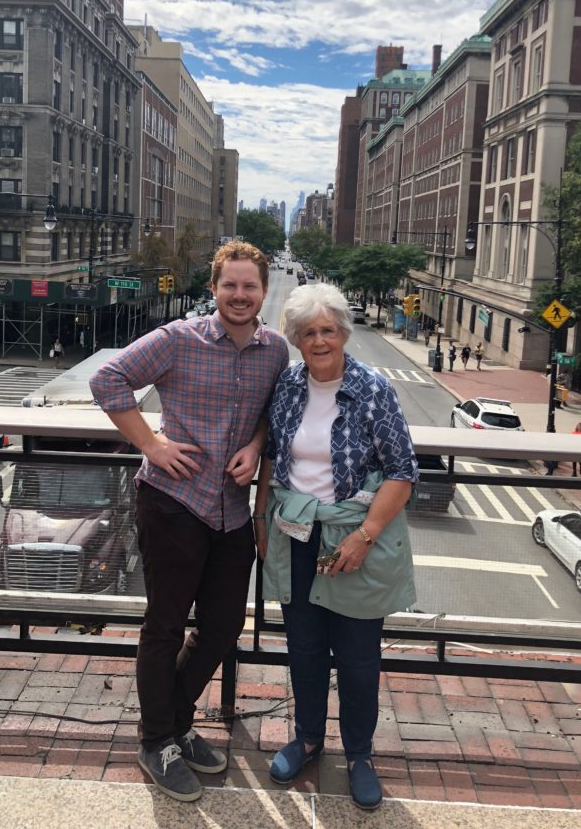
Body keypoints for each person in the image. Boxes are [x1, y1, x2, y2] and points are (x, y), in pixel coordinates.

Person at [89, 241, 288, 803]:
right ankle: (157, 741)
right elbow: (107, 380)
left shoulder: (275, 350)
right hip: (172, 501)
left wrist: (255, 445)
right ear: (214, 288)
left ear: (264, 291)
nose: (240, 295)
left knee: (223, 627)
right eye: (230, 285)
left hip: (232, 510)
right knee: (165, 626)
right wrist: (151, 444)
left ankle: (174, 724)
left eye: (250, 286)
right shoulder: (179, 338)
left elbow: (272, 414)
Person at [254, 284, 417, 811]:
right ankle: (307, 739)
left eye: (327, 330)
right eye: (308, 332)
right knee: (303, 649)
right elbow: (273, 455)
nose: (319, 340)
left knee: (357, 657)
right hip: (297, 534)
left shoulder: (373, 389)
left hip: (352, 539)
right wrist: (260, 518)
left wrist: (365, 536)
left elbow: (402, 471)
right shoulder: (288, 385)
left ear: (343, 333)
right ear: (296, 339)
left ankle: (360, 755)